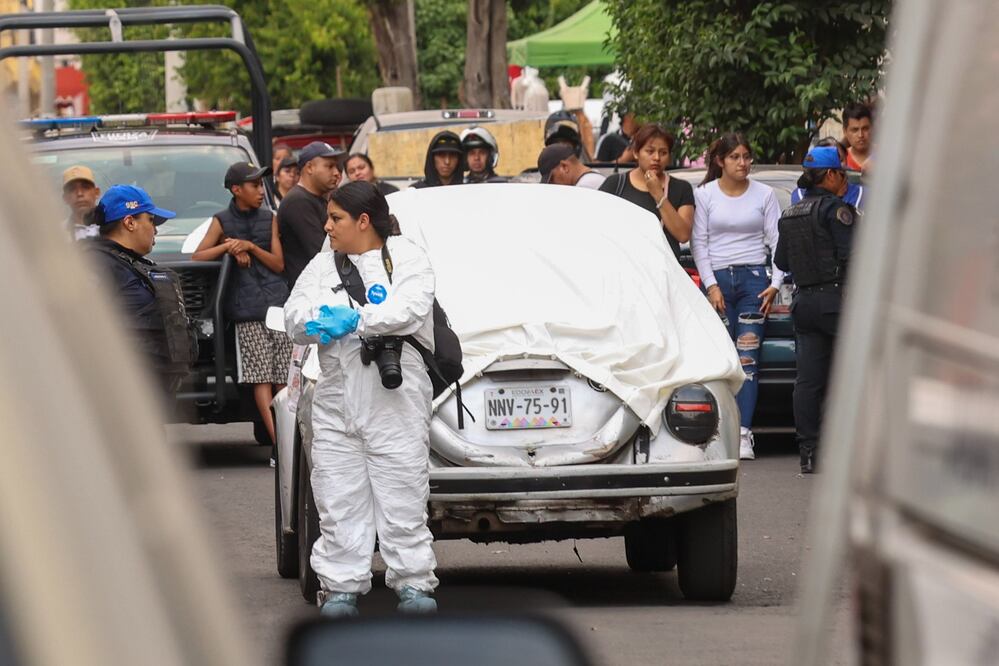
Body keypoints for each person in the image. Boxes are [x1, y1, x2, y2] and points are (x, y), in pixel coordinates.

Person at [284, 181, 439, 617]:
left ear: (364, 221)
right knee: (337, 497)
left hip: (395, 401)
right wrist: (318, 320)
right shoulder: (321, 267)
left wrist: (358, 319)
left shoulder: (407, 259)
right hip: (336, 401)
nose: (328, 226)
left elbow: (410, 309)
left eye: (336, 219)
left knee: (402, 498)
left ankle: (413, 585)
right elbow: (294, 315)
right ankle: (340, 589)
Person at [691, 133, 784, 460]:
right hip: (717, 282)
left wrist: (776, 282)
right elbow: (698, 243)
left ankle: (744, 434)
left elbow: (777, 240)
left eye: (746, 156)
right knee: (717, 360)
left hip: (754, 280)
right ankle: (716, 433)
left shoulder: (765, 194)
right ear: (721, 161)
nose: (743, 163)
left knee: (747, 360)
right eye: (736, 157)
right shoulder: (704, 195)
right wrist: (711, 284)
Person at [192, 162, 291, 447]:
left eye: (261, 185)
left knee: (282, 377)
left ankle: (287, 440)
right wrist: (228, 247)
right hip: (246, 311)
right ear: (236, 190)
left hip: (277, 306)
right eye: (254, 185)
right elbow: (198, 256)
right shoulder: (221, 220)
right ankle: (279, 442)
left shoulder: (270, 217)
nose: (261, 190)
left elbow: (278, 263)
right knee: (261, 377)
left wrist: (249, 247)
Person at [773, 146, 856, 474]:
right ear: (832, 175)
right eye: (843, 174)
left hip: (803, 302)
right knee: (847, 377)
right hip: (836, 302)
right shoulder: (837, 210)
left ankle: (809, 452)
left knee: (807, 381)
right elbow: (852, 256)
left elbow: (781, 262)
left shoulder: (790, 214)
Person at [88, 185, 195, 396]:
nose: (155, 230)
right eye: (151, 220)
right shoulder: (97, 264)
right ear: (129, 222)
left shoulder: (128, 263)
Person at [599, 124, 695, 259]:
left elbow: (683, 235)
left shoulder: (681, 188)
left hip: (665, 271)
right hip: (625, 266)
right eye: (650, 151)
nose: (656, 158)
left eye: (663, 153)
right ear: (636, 153)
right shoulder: (615, 184)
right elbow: (598, 226)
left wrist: (659, 195)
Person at [277, 141, 343, 287]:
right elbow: (322, 251)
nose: (336, 173)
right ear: (310, 167)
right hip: (309, 290)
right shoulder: (298, 201)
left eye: (337, 167)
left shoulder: (317, 198)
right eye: (329, 166)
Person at [791, 137, 865, 211]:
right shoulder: (800, 196)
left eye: (841, 160)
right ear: (830, 174)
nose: (840, 166)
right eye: (828, 160)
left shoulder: (863, 194)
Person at [537, 143, 605, 189]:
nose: (552, 185)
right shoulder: (594, 177)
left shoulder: (585, 187)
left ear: (564, 167)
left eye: (552, 179)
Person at [62, 165, 101, 240]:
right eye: (72, 189)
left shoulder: (114, 227)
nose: (79, 193)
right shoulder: (57, 234)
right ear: (65, 198)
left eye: (85, 187)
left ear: (97, 192)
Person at [842, 103, 873, 171]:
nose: (860, 135)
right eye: (855, 130)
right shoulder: (840, 161)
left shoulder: (885, 155)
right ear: (845, 131)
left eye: (865, 129)